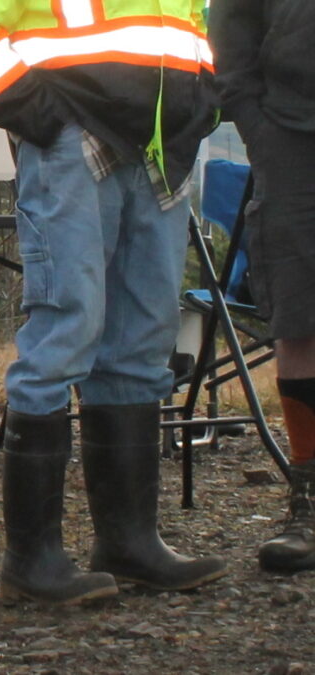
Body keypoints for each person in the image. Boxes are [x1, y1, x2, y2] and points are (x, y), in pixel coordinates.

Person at [0, 0, 228, 603]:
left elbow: (190, 25)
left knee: (144, 341)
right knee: (68, 328)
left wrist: (203, 103)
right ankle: (32, 561)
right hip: (73, 141)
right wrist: (41, 117)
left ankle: (129, 546)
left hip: (164, 147)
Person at [209, 1, 315, 573]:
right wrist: (257, 125)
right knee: (300, 321)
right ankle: (310, 504)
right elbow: (232, 26)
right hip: (293, 139)